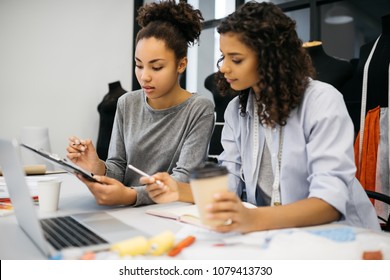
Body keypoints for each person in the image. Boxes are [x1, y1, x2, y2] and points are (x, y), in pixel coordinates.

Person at [141, 1, 380, 233]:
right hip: (274, 233)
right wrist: (178, 190)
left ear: (270, 58)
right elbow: (230, 182)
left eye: (236, 59)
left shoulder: (322, 102)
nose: (223, 68)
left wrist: (251, 218)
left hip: (343, 237)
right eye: (223, 56)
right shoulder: (238, 109)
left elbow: (328, 204)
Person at [66, 0, 215, 207]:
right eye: (139, 65)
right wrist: (97, 166)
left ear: (181, 64)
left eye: (156, 67)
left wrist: (131, 196)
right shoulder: (127, 103)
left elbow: (182, 181)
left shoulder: (199, 109)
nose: (144, 76)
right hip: (125, 209)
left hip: (169, 214)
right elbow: (117, 168)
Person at [96, 81, 127, 161]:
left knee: (111, 170)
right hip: (101, 141)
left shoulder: (124, 97)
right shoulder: (107, 96)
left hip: (113, 143)